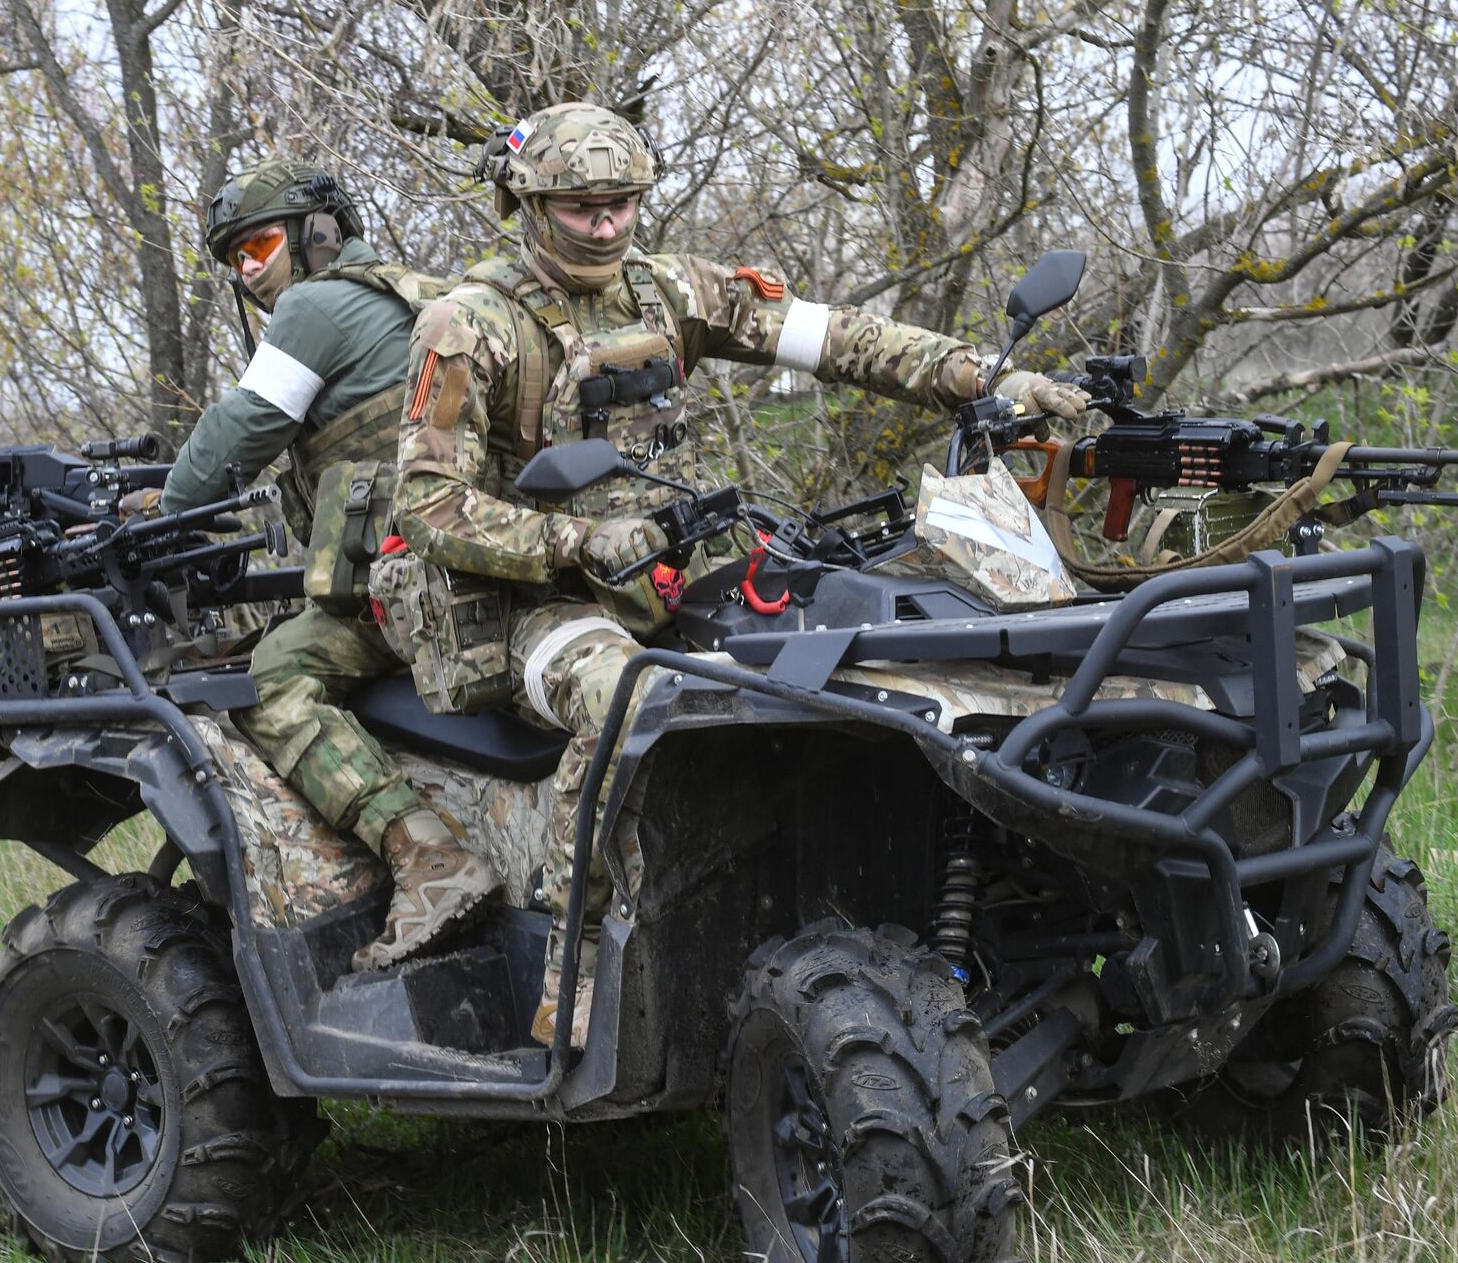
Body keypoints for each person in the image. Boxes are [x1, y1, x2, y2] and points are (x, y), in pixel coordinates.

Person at [390, 103, 1090, 1047]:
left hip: (668, 576)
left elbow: (836, 337)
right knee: (625, 697)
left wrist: (980, 381)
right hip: (535, 606)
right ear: (529, 200)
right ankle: (573, 960)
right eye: (581, 208)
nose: (606, 226)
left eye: (623, 205)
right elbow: (426, 507)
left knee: (853, 660)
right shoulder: (467, 325)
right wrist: (569, 545)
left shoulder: (671, 291)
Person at [149, 160, 500, 970]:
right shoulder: (410, 293)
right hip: (475, 566)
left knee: (270, 673)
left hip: (414, 589)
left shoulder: (313, 307)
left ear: (316, 236)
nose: (249, 270)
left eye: (260, 245)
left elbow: (239, 433)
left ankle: (427, 859)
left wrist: (163, 508)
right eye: (234, 258)